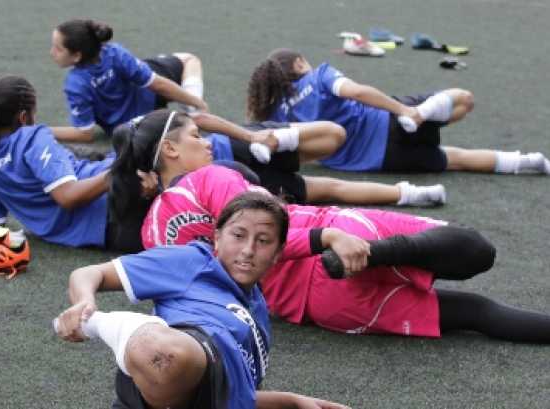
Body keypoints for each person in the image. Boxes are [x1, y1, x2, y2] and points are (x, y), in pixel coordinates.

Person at [121, 109, 550, 343]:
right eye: (195, 135)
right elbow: (260, 232)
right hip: (334, 237)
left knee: (474, 312)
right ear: (171, 148)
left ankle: (372, 256)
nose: (207, 142)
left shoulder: (151, 234)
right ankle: (379, 254)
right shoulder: (208, 179)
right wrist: (327, 239)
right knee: (475, 248)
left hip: (313, 307)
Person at [54, 192, 351, 409]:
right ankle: (101, 324)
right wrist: (83, 303)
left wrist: (294, 402)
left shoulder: (258, 312)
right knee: (162, 355)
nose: (248, 250)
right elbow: (89, 272)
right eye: (238, 235)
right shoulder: (193, 260)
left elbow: (232, 396)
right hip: (178, 351)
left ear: (277, 253)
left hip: (199, 396)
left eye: (262, 241)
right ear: (217, 238)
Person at [246, 48, 550, 175]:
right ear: (299, 63)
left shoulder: (277, 115)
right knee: (462, 100)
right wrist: (403, 109)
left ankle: (526, 163)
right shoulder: (319, 76)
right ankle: (424, 112)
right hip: (388, 122)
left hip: (380, 161)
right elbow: (357, 92)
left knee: (455, 159)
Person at [0, 75, 148, 252]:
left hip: (110, 234)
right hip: (116, 205)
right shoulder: (31, 137)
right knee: (152, 131)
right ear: (23, 117)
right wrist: (121, 170)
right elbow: (68, 196)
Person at [191, 112, 445, 206]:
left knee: (333, 135)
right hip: (233, 183)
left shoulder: (153, 129)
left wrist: (251, 136)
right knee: (329, 189)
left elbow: (198, 119)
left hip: (237, 147)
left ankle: (274, 141)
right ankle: (412, 194)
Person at [49, 19, 208, 143]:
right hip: (151, 96)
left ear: (77, 55)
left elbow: (84, 133)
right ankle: (193, 112)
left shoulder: (75, 84)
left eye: (57, 48)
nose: (52, 52)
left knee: (155, 67)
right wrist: (195, 101)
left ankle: (192, 114)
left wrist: (44, 130)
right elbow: (158, 84)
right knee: (189, 60)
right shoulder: (114, 53)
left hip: (136, 127)